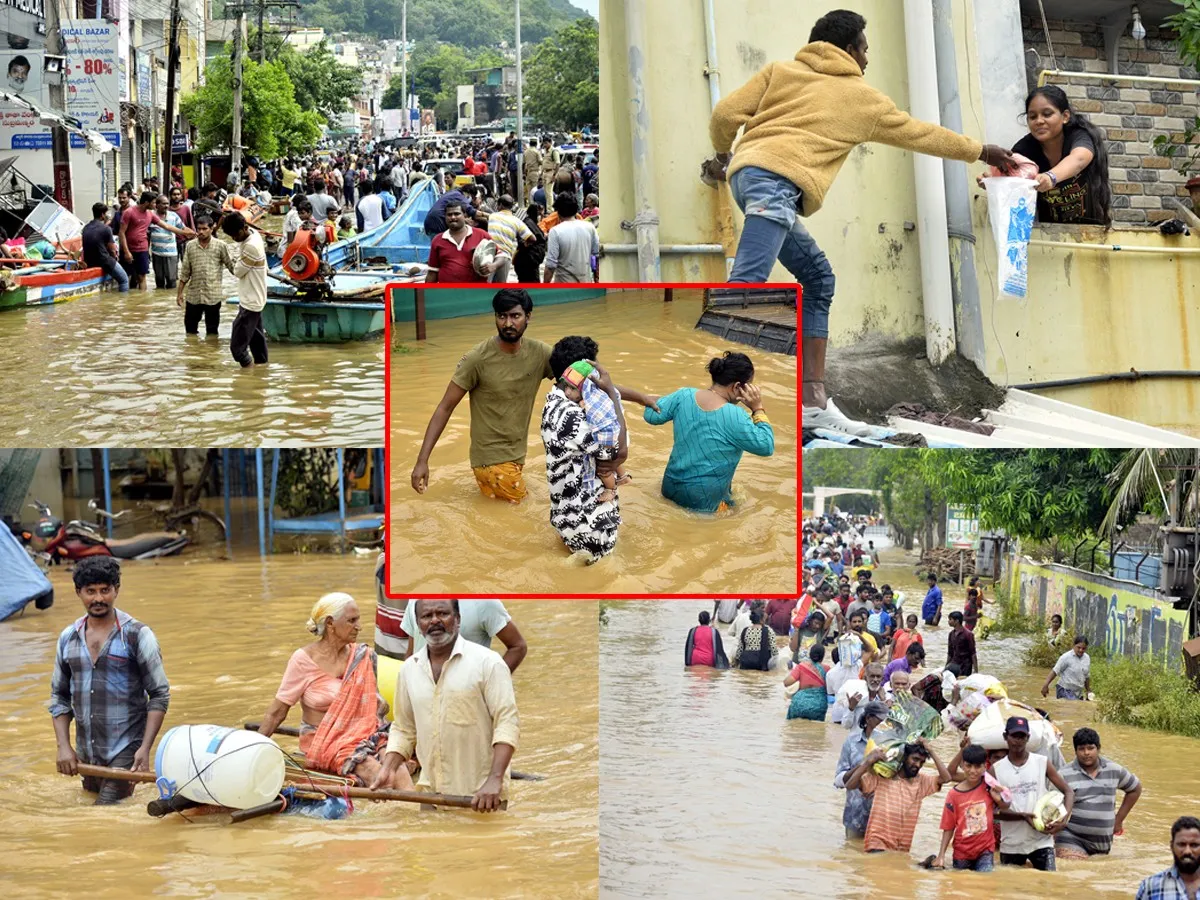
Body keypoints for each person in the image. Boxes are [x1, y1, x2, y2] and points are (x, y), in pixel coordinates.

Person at [709, 9, 1014, 438]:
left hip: (749, 178)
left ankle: (812, 400)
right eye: (865, 49)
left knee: (818, 279)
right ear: (850, 48)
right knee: (746, 287)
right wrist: (982, 150)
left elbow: (725, 115)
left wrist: (725, 158)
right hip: (776, 188)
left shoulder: (781, 71)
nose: (868, 59)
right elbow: (922, 134)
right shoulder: (861, 98)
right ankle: (717, 398)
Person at [371, 600, 520, 812]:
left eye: (443, 614)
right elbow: (404, 728)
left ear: (457, 620)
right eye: (426, 616)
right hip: (431, 793)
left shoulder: (489, 663)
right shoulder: (409, 670)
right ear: (418, 625)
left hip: (482, 795)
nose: (434, 621)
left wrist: (495, 780)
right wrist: (388, 769)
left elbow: (507, 723)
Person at [257, 594, 414, 790]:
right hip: (325, 742)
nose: (359, 626)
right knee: (376, 773)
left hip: (367, 734)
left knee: (397, 767)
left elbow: (374, 708)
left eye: (358, 619)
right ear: (330, 623)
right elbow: (277, 712)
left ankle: (417, 816)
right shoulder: (303, 660)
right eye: (352, 621)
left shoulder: (363, 656)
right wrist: (253, 748)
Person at [410, 289, 551, 503]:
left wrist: (613, 391)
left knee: (501, 518)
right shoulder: (477, 359)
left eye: (515, 316)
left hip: (515, 456)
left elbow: (576, 378)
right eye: (501, 316)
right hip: (491, 460)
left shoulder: (539, 353)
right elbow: (445, 407)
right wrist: (422, 460)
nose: (508, 323)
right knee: (527, 514)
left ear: (528, 317)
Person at [49, 557, 170, 804]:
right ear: (78, 593)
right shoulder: (68, 638)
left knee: (102, 813)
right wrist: (64, 746)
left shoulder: (137, 635)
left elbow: (159, 695)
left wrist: (144, 749)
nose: (98, 598)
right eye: (90, 591)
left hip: (126, 748)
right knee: (96, 816)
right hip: (87, 752)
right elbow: (59, 697)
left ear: (116, 590)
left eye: (105, 590)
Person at [642, 351, 774, 513]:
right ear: (737, 387)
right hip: (702, 498)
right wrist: (757, 408)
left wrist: (664, 400)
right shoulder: (736, 415)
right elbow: (766, 446)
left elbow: (651, 416)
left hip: (670, 486)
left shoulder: (683, 395)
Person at [541, 346, 626, 562]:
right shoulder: (572, 417)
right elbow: (616, 450)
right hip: (589, 523)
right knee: (603, 580)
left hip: (565, 513)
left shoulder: (552, 403)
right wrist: (612, 397)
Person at [1011, 85, 1112, 226]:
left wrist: (1051, 177)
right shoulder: (1025, 149)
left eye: (1047, 114)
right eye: (1032, 116)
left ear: (1065, 116)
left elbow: (1080, 158)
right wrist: (994, 180)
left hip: (1092, 232)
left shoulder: (1079, 135)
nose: (1039, 121)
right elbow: (1010, 171)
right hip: (1051, 237)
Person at [993, 715, 1075, 871]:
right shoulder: (996, 770)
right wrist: (1022, 816)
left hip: (1042, 841)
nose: (1018, 740)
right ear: (1005, 737)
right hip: (1011, 843)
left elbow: (1068, 791)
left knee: (1047, 886)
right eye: (1014, 736)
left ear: (1028, 738)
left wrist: (1064, 819)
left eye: (1022, 736)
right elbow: (992, 812)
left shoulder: (1042, 762)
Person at [845, 737, 951, 852]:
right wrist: (867, 763)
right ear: (904, 757)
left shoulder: (921, 782)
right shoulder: (884, 775)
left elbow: (946, 778)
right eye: (915, 759)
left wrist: (931, 750)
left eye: (922, 762)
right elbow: (850, 785)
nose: (918, 765)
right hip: (877, 842)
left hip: (902, 846)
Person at [1055, 727, 1142, 859]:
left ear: (1098, 748)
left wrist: (1119, 820)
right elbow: (1052, 804)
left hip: (1102, 843)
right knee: (1076, 870)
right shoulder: (1064, 774)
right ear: (1075, 751)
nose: (1086, 753)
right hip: (1071, 837)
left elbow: (1135, 789)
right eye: (1081, 749)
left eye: (1090, 748)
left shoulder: (1114, 770)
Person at [557, 358, 630, 503]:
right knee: (615, 461)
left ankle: (611, 489)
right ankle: (623, 477)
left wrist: (606, 450)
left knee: (603, 469)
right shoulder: (602, 394)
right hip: (621, 436)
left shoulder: (591, 404)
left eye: (572, 388)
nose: (567, 392)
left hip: (610, 442)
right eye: (566, 387)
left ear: (585, 388)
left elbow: (602, 427)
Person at [931, 743, 1011, 871]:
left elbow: (1006, 805)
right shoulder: (953, 795)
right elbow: (948, 827)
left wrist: (998, 799)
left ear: (985, 767)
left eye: (978, 766)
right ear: (962, 765)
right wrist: (941, 855)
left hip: (985, 850)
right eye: (968, 766)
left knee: (983, 881)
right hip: (962, 852)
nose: (973, 771)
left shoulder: (989, 786)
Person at [400, 599, 527, 673]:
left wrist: (491, 684)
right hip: (424, 694)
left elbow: (517, 646)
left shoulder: (484, 601)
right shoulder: (416, 598)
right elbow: (412, 651)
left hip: (467, 699)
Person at [835, 699, 890, 840]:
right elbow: (839, 779)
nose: (884, 723)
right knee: (852, 855)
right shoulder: (852, 742)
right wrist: (865, 764)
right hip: (855, 812)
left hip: (881, 813)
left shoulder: (889, 743)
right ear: (869, 718)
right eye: (881, 719)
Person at [119, 190, 192, 290]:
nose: (155, 205)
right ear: (146, 203)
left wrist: (186, 233)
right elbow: (121, 232)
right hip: (129, 249)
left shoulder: (150, 214)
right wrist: (126, 252)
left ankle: (141, 301)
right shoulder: (129, 212)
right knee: (128, 277)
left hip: (142, 250)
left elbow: (167, 226)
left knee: (142, 277)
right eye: (154, 202)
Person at [176, 215, 235, 337]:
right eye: (199, 229)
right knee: (190, 330)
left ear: (212, 229)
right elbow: (185, 271)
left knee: (212, 331)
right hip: (194, 295)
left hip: (213, 295)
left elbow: (232, 267)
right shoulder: (190, 246)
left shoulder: (221, 245)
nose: (201, 232)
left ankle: (211, 353)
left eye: (204, 229)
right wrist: (179, 293)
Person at [222, 212, 268, 368]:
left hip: (250, 301)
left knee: (237, 348)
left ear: (245, 228)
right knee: (258, 344)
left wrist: (235, 257)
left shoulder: (250, 246)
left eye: (236, 234)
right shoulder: (254, 235)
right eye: (231, 236)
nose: (234, 239)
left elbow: (237, 271)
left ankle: (248, 373)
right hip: (256, 296)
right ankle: (261, 373)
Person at [1136, 816, 1200, 900]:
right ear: (1171, 846)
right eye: (1181, 844)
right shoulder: (1150, 887)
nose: (1187, 851)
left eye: (1194, 845)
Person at [425, 200, 489, 283]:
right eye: (449, 215)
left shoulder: (481, 235)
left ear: (464, 215)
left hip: (475, 291)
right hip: (447, 292)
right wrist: (426, 293)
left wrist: (493, 266)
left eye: (456, 214)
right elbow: (432, 272)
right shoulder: (438, 240)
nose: (453, 217)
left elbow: (502, 256)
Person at [543, 193, 599, 283]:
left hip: (564, 286)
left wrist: (545, 288)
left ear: (558, 212)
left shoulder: (555, 231)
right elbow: (597, 256)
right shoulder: (590, 227)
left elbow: (550, 265)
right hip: (586, 284)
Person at [486, 194, 536, 284]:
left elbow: (481, 216)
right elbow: (533, 238)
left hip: (490, 255)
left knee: (486, 285)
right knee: (500, 288)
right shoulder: (517, 221)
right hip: (505, 257)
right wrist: (525, 244)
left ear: (500, 205)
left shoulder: (492, 216)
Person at [81, 202, 129, 292]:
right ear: (103, 214)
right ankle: (124, 302)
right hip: (103, 261)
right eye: (106, 213)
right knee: (124, 280)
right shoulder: (106, 229)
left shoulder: (85, 228)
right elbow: (112, 250)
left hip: (89, 261)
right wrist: (115, 259)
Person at [784, 644, 829, 720]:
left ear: (810, 654)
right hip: (818, 706)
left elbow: (786, 683)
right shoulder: (827, 669)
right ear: (822, 656)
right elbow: (830, 690)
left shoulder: (801, 666)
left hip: (799, 704)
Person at [1042, 636, 1091, 700]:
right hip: (1064, 689)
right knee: (1072, 705)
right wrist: (1045, 685)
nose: (1080, 650)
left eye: (1083, 648)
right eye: (1078, 647)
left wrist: (1088, 690)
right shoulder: (1066, 657)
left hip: (1078, 692)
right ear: (1074, 646)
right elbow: (1054, 671)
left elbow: (1086, 676)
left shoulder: (1087, 658)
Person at [149, 194, 183, 289]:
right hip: (157, 253)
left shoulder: (174, 216)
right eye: (164, 204)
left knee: (171, 280)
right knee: (159, 280)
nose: (166, 206)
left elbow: (182, 228)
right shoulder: (151, 216)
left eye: (167, 204)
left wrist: (192, 233)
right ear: (157, 205)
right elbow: (146, 235)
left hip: (171, 254)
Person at [513, 202, 548, 283]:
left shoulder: (532, 223)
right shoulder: (528, 223)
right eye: (540, 213)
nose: (541, 216)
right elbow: (523, 240)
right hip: (527, 261)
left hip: (531, 262)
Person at [946, 611, 978, 677]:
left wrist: (976, 671)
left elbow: (973, 653)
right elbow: (950, 652)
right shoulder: (951, 634)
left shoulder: (968, 634)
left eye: (950, 619)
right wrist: (946, 666)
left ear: (956, 621)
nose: (948, 621)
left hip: (965, 666)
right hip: (954, 664)